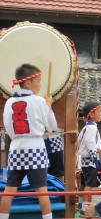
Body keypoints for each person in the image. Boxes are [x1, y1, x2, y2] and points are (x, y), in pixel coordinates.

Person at [0, 64, 57, 219]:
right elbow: (52, 127)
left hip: (16, 148)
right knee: (41, 190)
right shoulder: (38, 101)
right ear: (28, 83)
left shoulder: (9, 102)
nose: (40, 84)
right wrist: (49, 105)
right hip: (35, 148)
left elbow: (8, 127)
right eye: (38, 81)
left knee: (9, 190)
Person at [77, 101, 101, 212]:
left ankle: (80, 206)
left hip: (85, 160)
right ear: (92, 114)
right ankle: (84, 208)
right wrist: (96, 158)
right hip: (90, 160)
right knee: (89, 185)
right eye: (99, 111)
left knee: (84, 183)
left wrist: (100, 151)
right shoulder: (92, 128)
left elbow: (86, 142)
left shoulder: (87, 127)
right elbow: (90, 144)